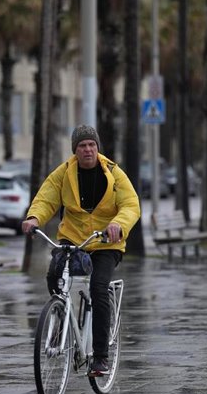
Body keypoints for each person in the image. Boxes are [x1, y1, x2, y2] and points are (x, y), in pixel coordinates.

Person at [22, 125, 141, 377]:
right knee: (54, 275)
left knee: (98, 288)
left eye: (91, 145)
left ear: (97, 148)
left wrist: (118, 224)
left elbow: (130, 204)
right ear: (75, 151)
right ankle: (58, 321)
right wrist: (34, 217)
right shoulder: (64, 173)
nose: (87, 150)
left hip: (106, 243)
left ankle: (100, 358)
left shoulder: (113, 173)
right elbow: (46, 198)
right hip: (74, 239)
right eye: (82, 146)